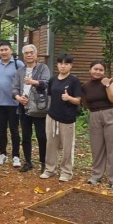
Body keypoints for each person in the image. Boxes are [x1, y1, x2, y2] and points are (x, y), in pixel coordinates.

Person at [40, 53, 83, 182]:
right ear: (57, 64)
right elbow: (50, 97)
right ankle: (50, 169)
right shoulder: (53, 80)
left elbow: (78, 100)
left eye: (66, 64)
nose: (63, 66)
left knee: (67, 147)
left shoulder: (74, 81)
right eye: (61, 63)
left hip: (68, 119)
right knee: (51, 145)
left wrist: (69, 98)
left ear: (71, 65)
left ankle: (66, 172)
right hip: (52, 117)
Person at [82, 61, 113, 189]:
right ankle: (96, 175)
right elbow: (85, 103)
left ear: (104, 71)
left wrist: (106, 85)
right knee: (96, 147)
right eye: (95, 69)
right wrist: (94, 112)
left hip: (111, 114)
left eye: (101, 70)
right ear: (90, 70)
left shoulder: (110, 82)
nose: (98, 72)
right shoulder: (85, 86)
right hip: (94, 115)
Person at [0, 40, 24, 168]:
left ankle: (16, 156)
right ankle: (2, 154)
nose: (3, 52)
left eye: (6, 49)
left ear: (11, 51)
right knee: (2, 130)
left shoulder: (18, 64)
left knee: (14, 130)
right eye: (1, 50)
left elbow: (24, 79)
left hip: (14, 103)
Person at [13, 44, 50, 173]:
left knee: (41, 136)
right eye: (26, 53)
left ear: (36, 55)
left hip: (39, 108)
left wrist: (33, 82)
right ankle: (28, 162)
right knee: (26, 137)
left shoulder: (43, 68)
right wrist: (18, 98)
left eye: (31, 52)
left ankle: (44, 163)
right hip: (24, 108)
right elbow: (14, 88)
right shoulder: (20, 71)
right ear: (23, 56)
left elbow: (46, 83)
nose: (28, 55)